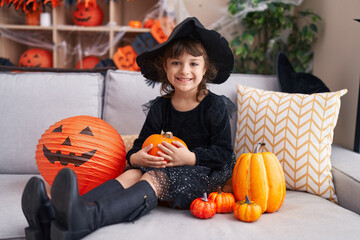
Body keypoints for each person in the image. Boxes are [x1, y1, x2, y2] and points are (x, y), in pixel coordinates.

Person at [21, 17, 235, 240]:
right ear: (165, 66)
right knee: (132, 173)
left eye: (193, 63)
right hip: (162, 166)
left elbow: (223, 153)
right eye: (176, 63)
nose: (184, 70)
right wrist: (138, 158)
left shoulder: (214, 106)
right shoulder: (161, 108)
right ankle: (55, 216)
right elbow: (139, 146)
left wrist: (189, 157)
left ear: (205, 68)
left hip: (203, 173)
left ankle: (86, 218)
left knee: (152, 179)